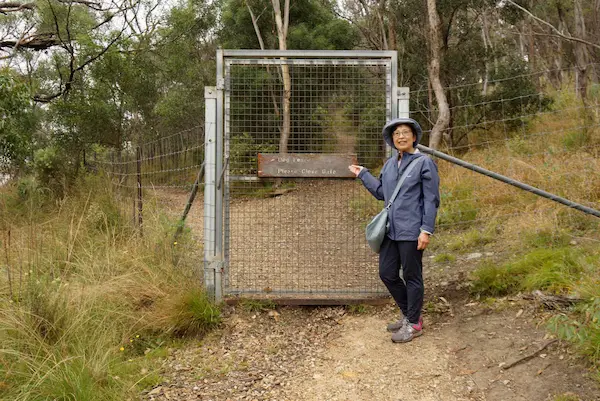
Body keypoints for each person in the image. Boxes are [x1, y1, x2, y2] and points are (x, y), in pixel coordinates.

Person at [348, 118, 440, 343]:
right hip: (390, 230)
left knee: (411, 275)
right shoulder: (390, 165)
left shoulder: (423, 163)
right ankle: (410, 314)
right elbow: (382, 193)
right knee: (387, 273)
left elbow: (431, 199)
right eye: (396, 133)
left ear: (414, 137)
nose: (401, 136)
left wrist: (426, 230)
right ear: (392, 139)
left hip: (412, 230)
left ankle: (414, 322)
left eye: (405, 132)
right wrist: (363, 174)